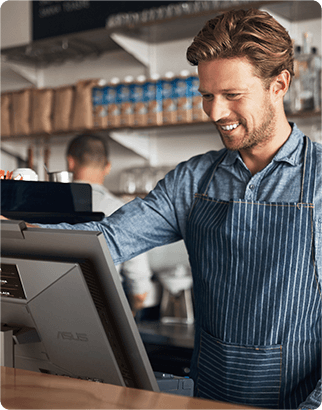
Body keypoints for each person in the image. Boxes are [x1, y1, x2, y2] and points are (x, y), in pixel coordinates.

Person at [3, 8, 321, 409]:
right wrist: (15, 231)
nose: (216, 112)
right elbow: (108, 239)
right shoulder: (193, 180)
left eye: (232, 95)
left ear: (280, 84)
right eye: (207, 95)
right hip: (208, 399)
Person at [66, 133, 154, 314]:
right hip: (103, 310)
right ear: (107, 167)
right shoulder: (121, 209)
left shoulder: (46, 203)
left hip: (53, 306)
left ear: (70, 162)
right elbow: (140, 290)